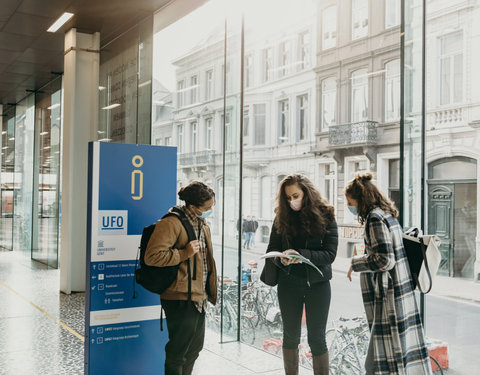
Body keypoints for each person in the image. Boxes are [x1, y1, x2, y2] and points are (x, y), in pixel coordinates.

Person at [345, 173, 431, 375]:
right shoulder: (386, 214)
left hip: (388, 296)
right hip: (400, 291)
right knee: (397, 352)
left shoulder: (374, 218)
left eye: (351, 203)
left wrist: (355, 262)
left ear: (361, 199)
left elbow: (385, 259)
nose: (350, 207)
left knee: (382, 359)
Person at [264, 174, 338, 375]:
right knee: (290, 337)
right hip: (289, 284)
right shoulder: (281, 216)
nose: (291, 201)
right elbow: (272, 249)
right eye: (287, 197)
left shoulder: (327, 215)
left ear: (307, 192)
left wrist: (302, 254)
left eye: (295, 195)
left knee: (317, 338)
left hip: (318, 285)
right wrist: (282, 258)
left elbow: (330, 254)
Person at [145, 181, 218, 375]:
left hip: (199, 297)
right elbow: (152, 257)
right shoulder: (171, 223)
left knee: (194, 350)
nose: (211, 210)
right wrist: (184, 253)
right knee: (178, 352)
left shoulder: (203, 224)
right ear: (192, 207)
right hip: (179, 297)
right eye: (208, 207)